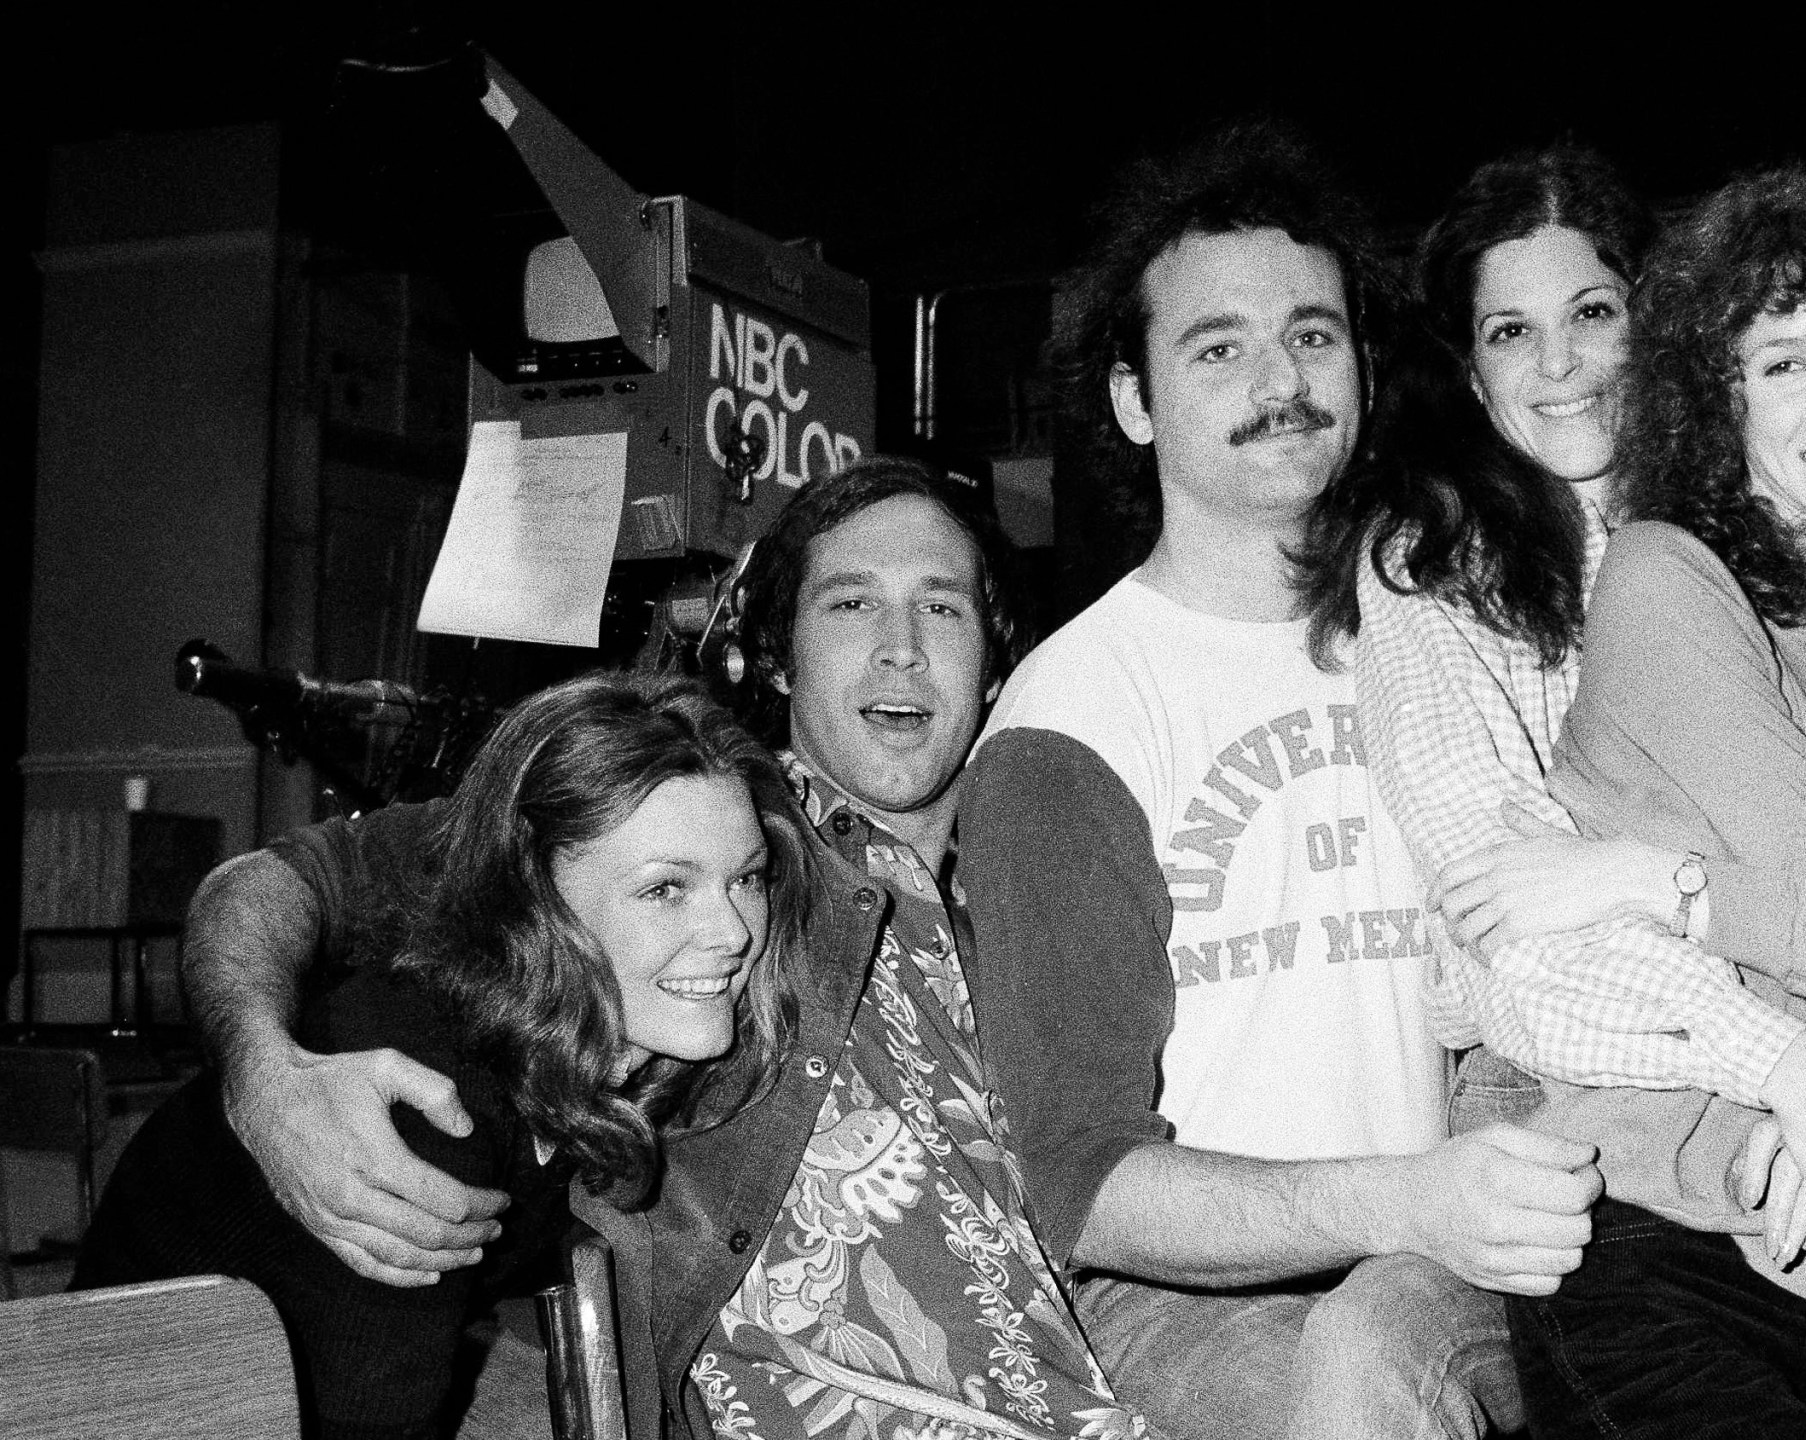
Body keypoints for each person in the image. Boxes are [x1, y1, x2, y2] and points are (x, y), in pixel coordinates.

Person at [178, 457, 1149, 1439]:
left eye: (941, 609)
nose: (900, 649)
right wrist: (262, 1067)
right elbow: (274, 883)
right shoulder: (680, 809)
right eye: (851, 605)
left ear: (996, 655)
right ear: (775, 657)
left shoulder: (1041, 887)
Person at [1354, 158, 1806, 1437]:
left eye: (1593, 313)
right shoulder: (1510, 571)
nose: (1563, 364)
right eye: (1512, 331)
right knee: (1367, 1361)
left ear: (1663, 331)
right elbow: (1513, 935)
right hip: (1579, 1144)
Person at [954, 126, 1601, 1440]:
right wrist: (1407, 1199)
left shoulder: (1453, 631)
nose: (1280, 378)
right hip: (1196, 1302)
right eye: (1217, 347)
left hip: (1463, 1260)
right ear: (1134, 400)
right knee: (1328, 1387)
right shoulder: (1070, 720)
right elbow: (1078, 1180)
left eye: (1313, 335)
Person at [76, 672, 810, 1440]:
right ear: (535, 904)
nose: (732, 933)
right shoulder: (420, 1101)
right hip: (127, 1394)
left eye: (747, 878)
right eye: (665, 889)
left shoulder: (605, 1038)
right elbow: (374, 1416)